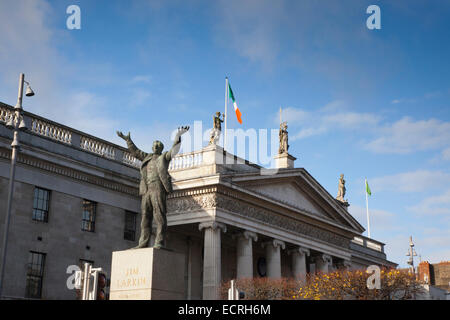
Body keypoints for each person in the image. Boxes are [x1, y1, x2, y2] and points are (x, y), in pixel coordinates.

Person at [117, 126, 189, 249]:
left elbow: (174, 150)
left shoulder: (164, 157)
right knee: (145, 216)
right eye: (154, 145)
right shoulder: (147, 157)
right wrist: (128, 140)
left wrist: (178, 136)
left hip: (158, 188)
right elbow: (135, 151)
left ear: (161, 149)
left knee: (159, 215)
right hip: (147, 189)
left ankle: (159, 241)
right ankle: (143, 242)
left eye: (158, 145)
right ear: (152, 147)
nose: (156, 147)